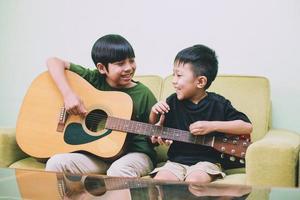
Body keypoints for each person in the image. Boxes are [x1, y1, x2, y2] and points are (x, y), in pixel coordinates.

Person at [45, 34, 157, 178]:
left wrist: (155, 137)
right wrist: (68, 95)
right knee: (56, 163)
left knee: (118, 171)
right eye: (120, 63)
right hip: (97, 156)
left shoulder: (143, 94)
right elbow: (53, 61)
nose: (129, 67)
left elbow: (158, 130)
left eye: (132, 61)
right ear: (102, 68)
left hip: (135, 155)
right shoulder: (94, 79)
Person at [149, 44, 253, 183]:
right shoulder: (172, 102)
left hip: (207, 163)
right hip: (176, 162)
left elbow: (246, 127)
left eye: (179, 75)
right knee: (160, 181)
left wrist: (212, 126)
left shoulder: (218, 104)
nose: (173, 81)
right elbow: (155, 131)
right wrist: (155, 115)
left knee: (195, 181)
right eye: (173, 74)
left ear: (200, 81)